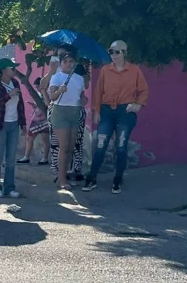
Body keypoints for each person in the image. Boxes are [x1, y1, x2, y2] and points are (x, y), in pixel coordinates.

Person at [83, 40, 150, 193]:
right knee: (100, 145)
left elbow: (143, 90)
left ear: (124, 53)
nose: (114, 55)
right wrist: (97, 111)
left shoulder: (134, 70)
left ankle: (118, 179)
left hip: (125, 112)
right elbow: (98, 92)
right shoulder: (105, 70)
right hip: (107, 111)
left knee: (120, 146)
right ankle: (92, 178)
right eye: (111, 52)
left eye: (117, 52)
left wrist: (138, 104)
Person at [47, 45, 87, 189]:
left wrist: (84, 100)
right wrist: (59, 90)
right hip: (60, 112)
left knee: (70, 146)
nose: (68, 64)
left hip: (74, 111)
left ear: (74, 63)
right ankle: (62, 180)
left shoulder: (79, 79)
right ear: (61, 63)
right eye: (65, 62)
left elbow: (81, 96)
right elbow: (52, 96)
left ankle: (64, 175)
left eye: (71, 61)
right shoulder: (57, 77)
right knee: (63, 146)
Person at [0, 58, 27, 198]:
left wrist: (23, 123)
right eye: (12, 68)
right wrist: (9, 95)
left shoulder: (15, 83)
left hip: (14, 124)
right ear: (4, 70)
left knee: (11, 158)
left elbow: (20, 104)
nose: (15, 71)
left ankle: (9, 187)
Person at [18, 76, 50, 165]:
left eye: (38, 86)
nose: (37, 88)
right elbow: (39, 105)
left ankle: (44, 158)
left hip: (44, 119)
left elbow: (48, 104)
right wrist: (33, 105)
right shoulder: (38, 94)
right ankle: (26, 156)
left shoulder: (47, 93)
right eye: (36, 87)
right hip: (36, 118)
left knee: (45, 139)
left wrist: (44, 93)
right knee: (29, 137)